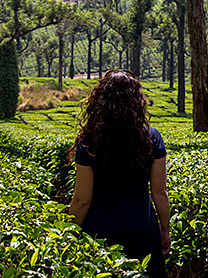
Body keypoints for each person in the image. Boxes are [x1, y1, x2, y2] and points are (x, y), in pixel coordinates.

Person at [68, 69, 170, 277]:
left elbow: (82, 200)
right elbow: (159, 193)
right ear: (136, 100)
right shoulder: (151, 137)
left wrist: (67, 235)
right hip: (141, 228)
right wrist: (164, 230)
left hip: (99, 230)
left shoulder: (89, 140)